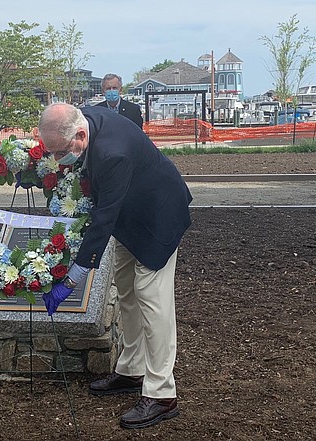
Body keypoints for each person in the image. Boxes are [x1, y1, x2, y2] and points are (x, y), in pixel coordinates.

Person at [39, 103, 192, 429]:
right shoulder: (80, 117)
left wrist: (72, 280)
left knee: (153, 302)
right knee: (127, 293)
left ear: (80, 134)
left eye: (62, 152)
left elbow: (102, 220)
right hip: (129, 218)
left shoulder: (112, 154)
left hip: (157, 220)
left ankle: (162, 393)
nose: (58, 160)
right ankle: (131, 370)